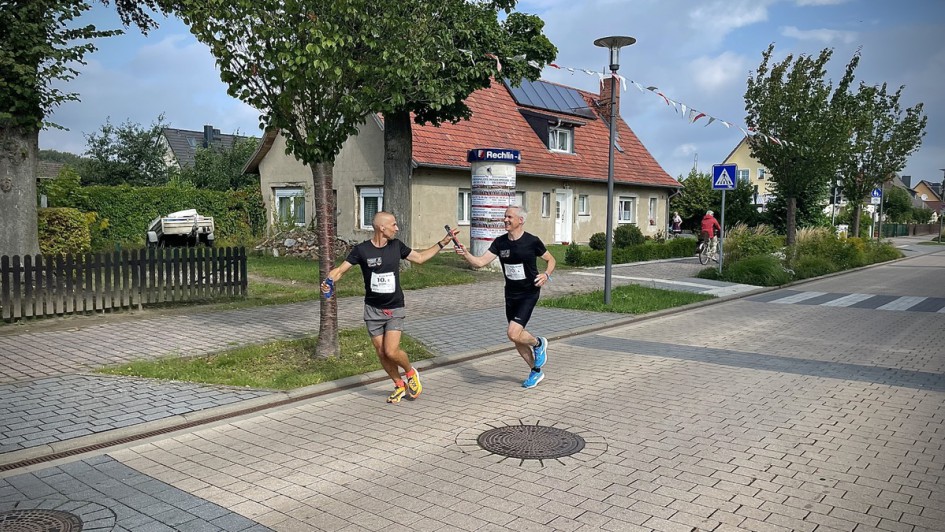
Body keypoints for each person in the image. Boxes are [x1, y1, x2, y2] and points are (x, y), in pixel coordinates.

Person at [321, 211, 456, 403]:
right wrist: (328, 280)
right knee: (381, 352)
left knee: (391, 351)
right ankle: (398, 384)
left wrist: (443, 242)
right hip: (372, 309)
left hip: (394, 308)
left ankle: (410, 373)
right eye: (393, 224)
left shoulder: (396, 246)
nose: (397, 228)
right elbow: (341, 270)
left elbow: (420, 258)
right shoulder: (362, 250)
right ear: (381, 228)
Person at [453, 205, 556, 389]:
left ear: (520, 220)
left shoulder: (532, 241)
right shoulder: (500, 243)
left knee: (513, 333)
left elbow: (551, 259)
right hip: (511, 294)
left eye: (509, 217)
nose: (505, 220)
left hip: (529, 293)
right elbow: (480, 262)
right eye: (504, 217)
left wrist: (546, 275)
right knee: (516, 338)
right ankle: (535, 371)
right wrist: (466, 254)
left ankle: (539, 342)